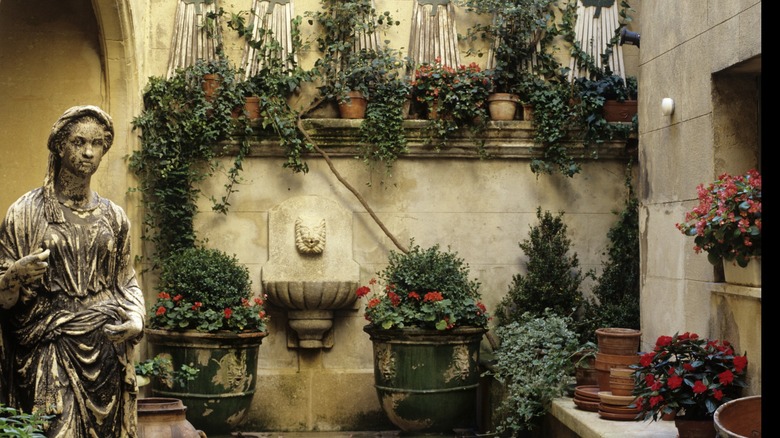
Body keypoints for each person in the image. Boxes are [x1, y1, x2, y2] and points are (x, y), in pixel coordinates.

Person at [0, 105, 145, 437]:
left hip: (105, 346)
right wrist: (15, 275)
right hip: (49, 345)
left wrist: (136, 319)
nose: (89, 152)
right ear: (59, 146)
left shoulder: (115, 217)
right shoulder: (25, 212)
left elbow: (126, 280)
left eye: (97, 144)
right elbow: (3, 296)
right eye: (79, 142)